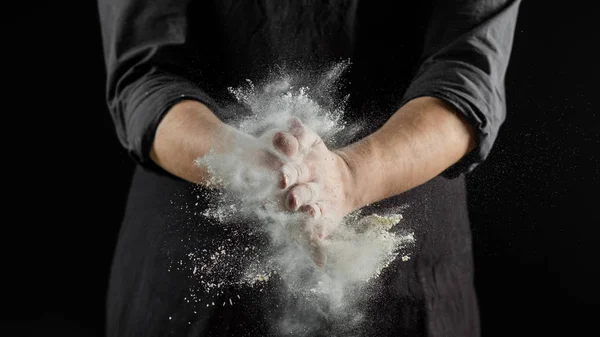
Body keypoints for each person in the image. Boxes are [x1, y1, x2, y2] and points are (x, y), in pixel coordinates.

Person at [97, 0, 521, 336]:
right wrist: (240, 161)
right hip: (193, 275)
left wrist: (350, 176)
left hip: (411, 273)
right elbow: (146, 72)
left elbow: (467, 73)